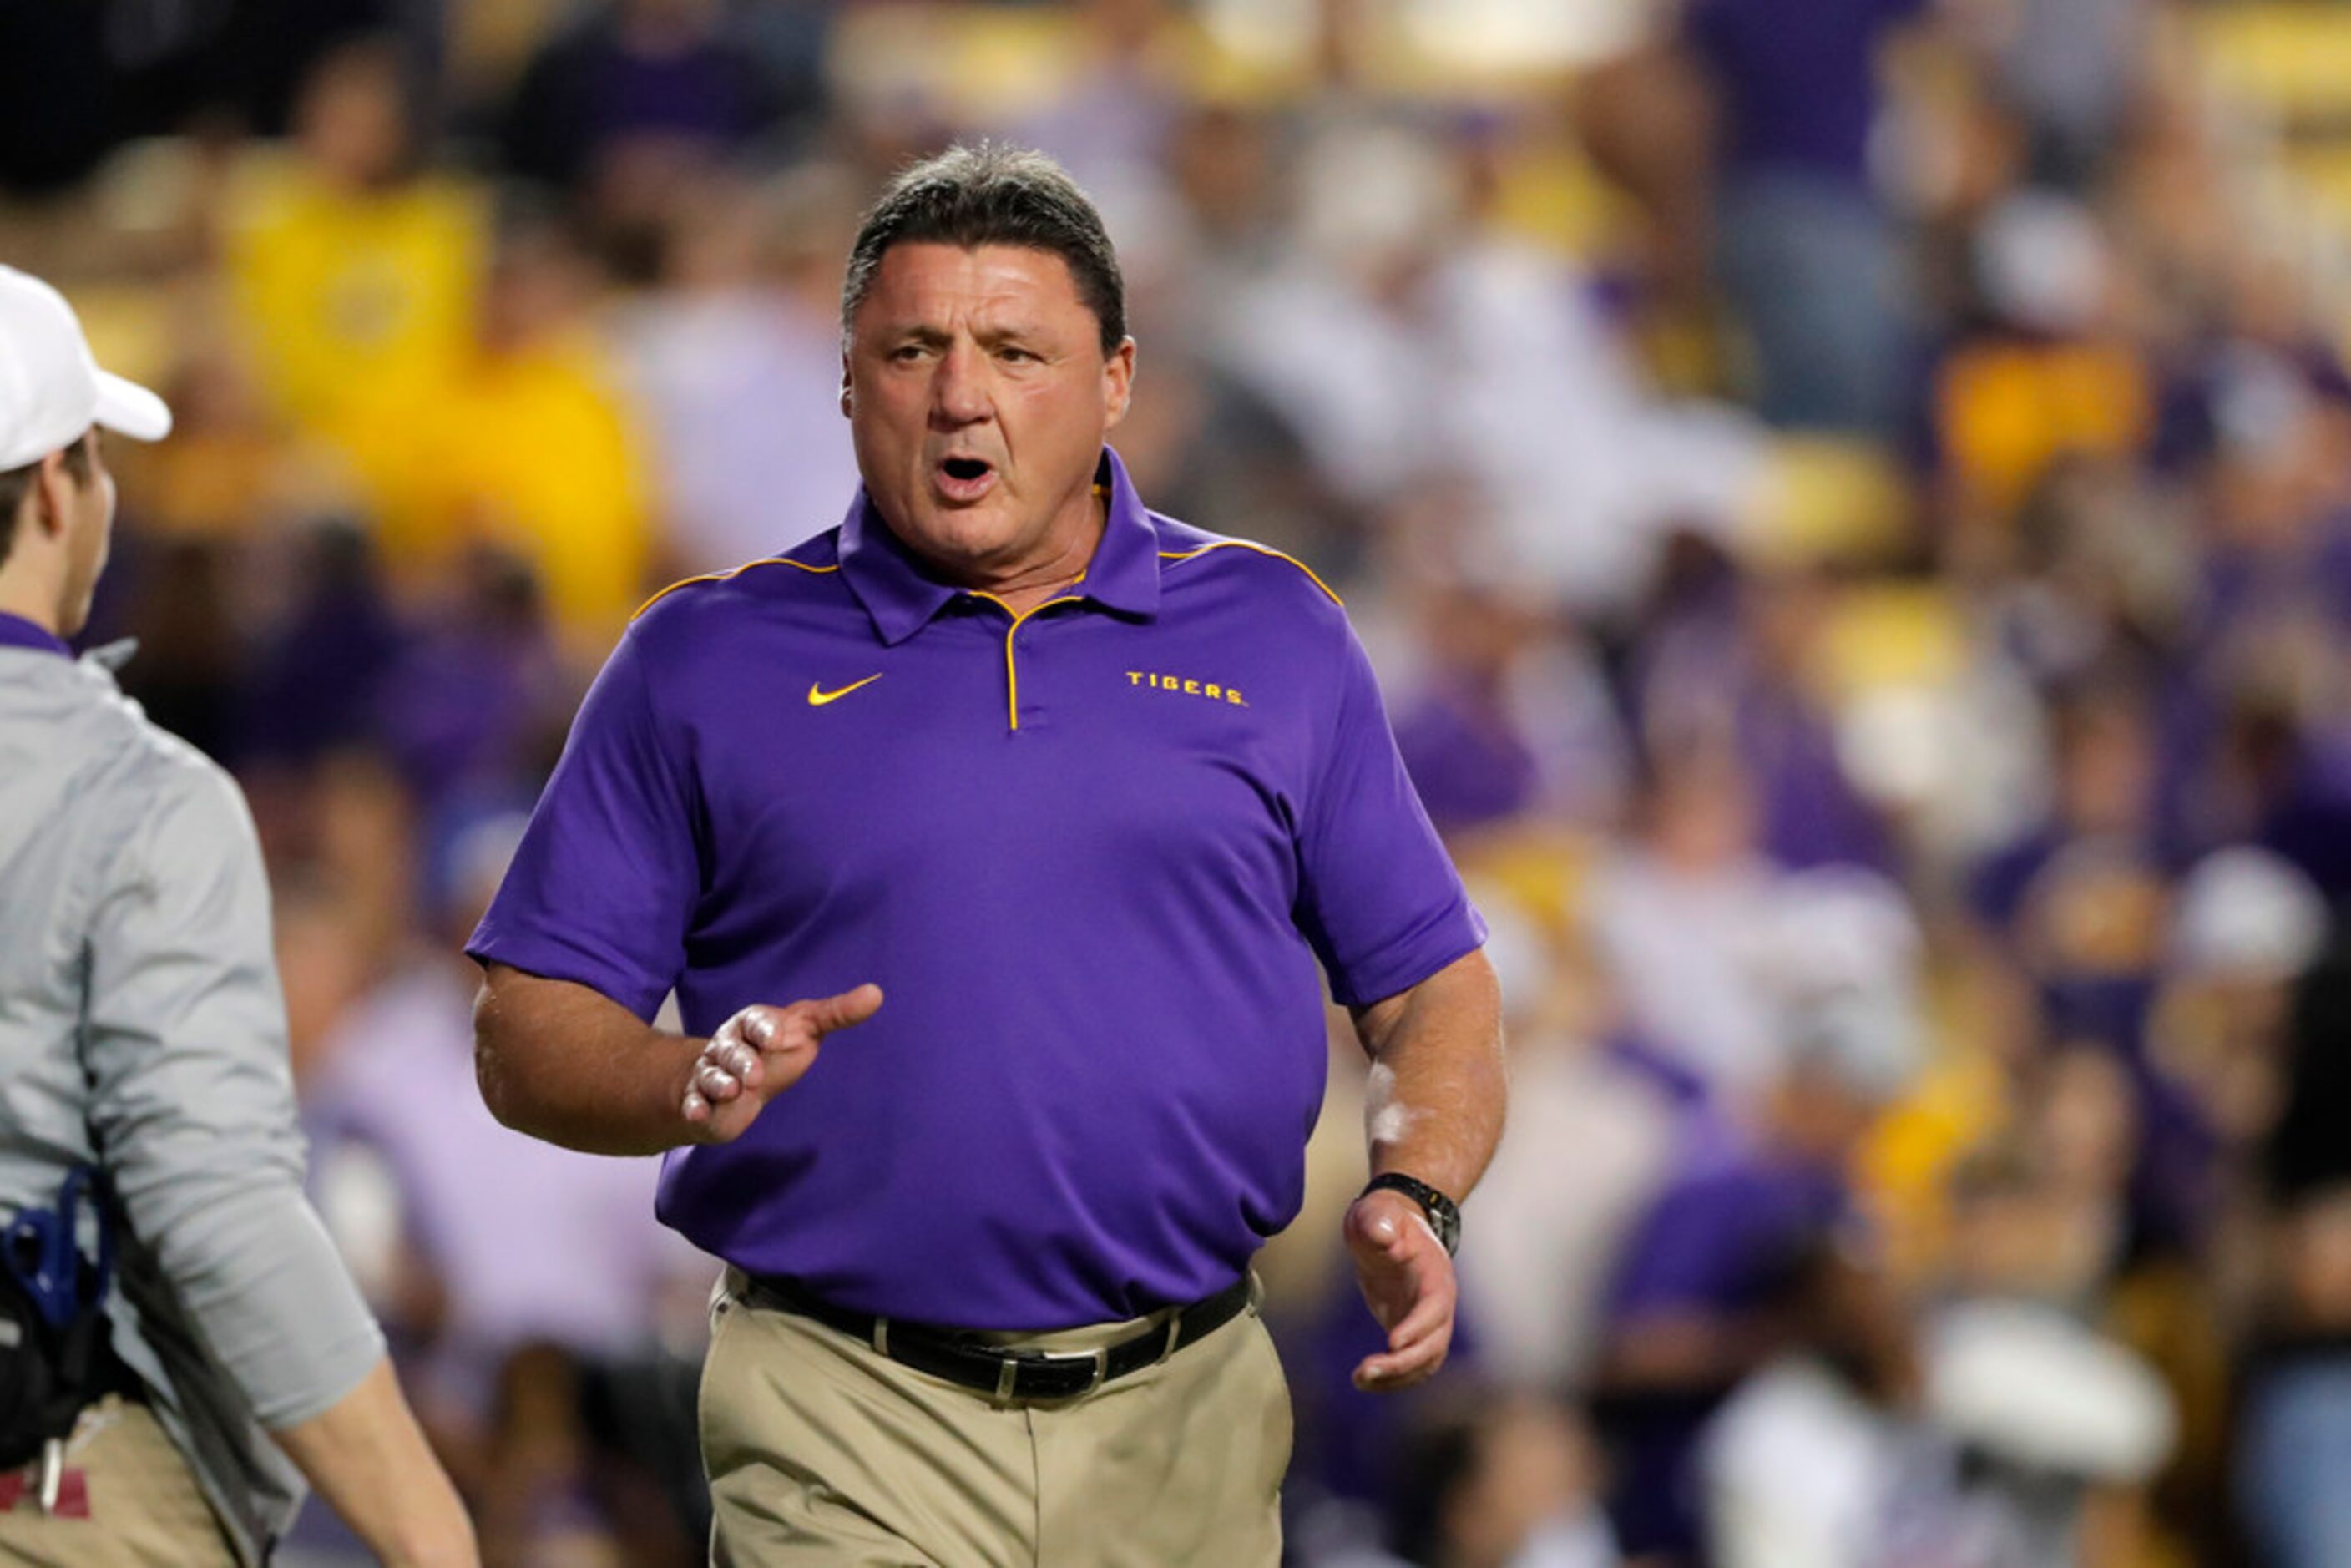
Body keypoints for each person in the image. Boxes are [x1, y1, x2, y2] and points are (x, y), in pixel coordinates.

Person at [470, 142, 1506, 1563]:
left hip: (1186, 1416)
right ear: (847, 380)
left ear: (1117, 382)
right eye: (913, 349)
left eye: (1016, 350)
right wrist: (677, 1073)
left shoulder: (1277, 634)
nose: (961, 394)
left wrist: (1419, 1185)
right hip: (844, 1411)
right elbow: (525, 1025)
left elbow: (1431, 985)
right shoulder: (702, 659)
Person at [0, 265, 477, 1565]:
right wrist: (432, 1530)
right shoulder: (136, 795)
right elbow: (214, 1201)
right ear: (55, 486)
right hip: (47, 1472)